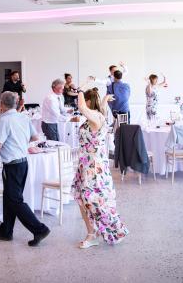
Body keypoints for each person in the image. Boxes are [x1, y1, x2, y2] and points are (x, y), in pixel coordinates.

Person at [0, 91, 50, 246]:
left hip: (12, 165)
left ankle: (39, 229)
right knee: (9, 197)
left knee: (14, 199)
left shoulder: (3, 119)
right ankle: (6, 231)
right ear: (15, 104)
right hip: (23, 163)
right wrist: (19, 140)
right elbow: (35, 137)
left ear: (2, 104)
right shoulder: (23, 116)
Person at [72, 88, 129, 248]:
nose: (81, 103)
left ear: (88, 101)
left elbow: (82, 108)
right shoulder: (99, 114)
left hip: (94, 167)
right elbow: (100, 108)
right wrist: (104, 99)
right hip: (86, 164)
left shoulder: (95, 117)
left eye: (83, 100)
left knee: (94, 200)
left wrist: (80, 90)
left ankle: (110, 231)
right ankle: (92, 233)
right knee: (83, 200)